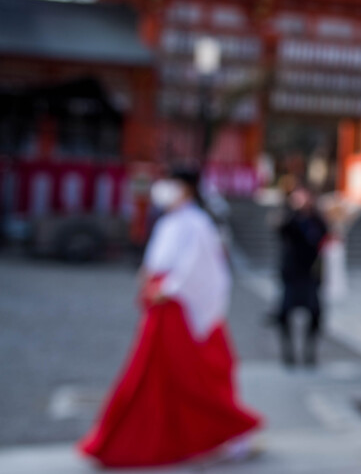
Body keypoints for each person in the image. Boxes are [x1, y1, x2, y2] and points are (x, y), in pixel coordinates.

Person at [79, 168, 261, 468]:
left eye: (171, 183)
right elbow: (155, 261)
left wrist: (170, 287)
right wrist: (147, 277)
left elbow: (201, 267)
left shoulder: (198, 223)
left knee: (188, 376)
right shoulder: (168, 221)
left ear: (186, 189)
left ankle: (228, 430)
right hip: (159, 303)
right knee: (152, 374)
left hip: (177, 306)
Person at [275, 186, 328, 367]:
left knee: (315, 314)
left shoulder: (316, 220)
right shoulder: (290, 218)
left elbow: (324, 236)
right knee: (283, 314)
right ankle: (288, 352)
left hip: (310, 274)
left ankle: (309, 351)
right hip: (291, 274)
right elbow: (281, 230)